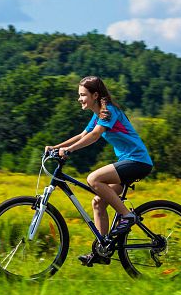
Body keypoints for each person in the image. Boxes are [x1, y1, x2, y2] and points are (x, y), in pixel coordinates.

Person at [45, 76, 153, 266]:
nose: (79, 99)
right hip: (128, 161)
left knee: (94, 179)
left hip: (137, 161)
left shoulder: (109, 111)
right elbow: (82, 135)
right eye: (79, 95)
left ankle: (128, 216)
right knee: (97, 203)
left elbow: (95, 136)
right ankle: (103, 250)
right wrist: (56, 146)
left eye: (82, 95)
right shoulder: (98, 115)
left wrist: (69, 151)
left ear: (95, 95)